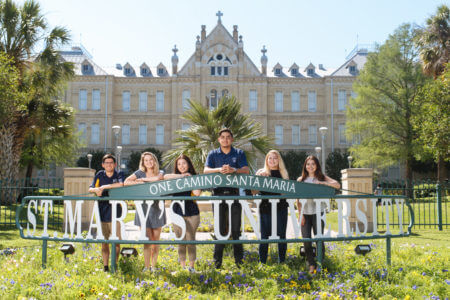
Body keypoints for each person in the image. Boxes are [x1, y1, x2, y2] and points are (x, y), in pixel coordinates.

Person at [204, 128, 249, 269]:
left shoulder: (239, 153)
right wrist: (219, 170)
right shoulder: (213, 154)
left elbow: (246, 170)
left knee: (236, 229)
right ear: (219, 140)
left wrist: (234, 170)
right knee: (219, 230)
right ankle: (217, 264)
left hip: (234, 194)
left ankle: (239, 263)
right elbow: (206, 170)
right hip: (217, 195)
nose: (225, 139)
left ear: (232, 139)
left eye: (228, 137)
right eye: (222, 137)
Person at [296, 155, 340, 274]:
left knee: (319, 239)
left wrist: (322, 183)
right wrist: (301, 215)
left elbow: (337, 184)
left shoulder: (321, 177)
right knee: (306, 240)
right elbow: (298, 199)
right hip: (305, 213)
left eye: (313, 164)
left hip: (318, 212)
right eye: (308, 164)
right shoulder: (301, 180)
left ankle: (320, 263)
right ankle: (311, 264)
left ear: (317, 166)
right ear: (305, 166)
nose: (310, 166)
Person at [124, 152, 165, 271]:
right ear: (143, 162)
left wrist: (143, 180)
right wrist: (140, 181)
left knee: (156, 240)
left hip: (157, 208)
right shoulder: (139, 173)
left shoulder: (160, 172)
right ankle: (146, 267)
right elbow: (126, 182)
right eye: (146, 160)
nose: (148, 162)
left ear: (154, 161)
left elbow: (158, 179)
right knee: (146, 239)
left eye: (150, 160)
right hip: (143, 208)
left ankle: (153, 266)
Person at [164, 155, 201, 272]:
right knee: (180, 240)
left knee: (190, 240)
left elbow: (197, 193)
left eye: (184, 163)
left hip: (192, 212)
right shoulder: (174, 177)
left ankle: (191, 267)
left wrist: (190, 179)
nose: (181, 166)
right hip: (177, 212)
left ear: (189, 164)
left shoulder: (195, 177)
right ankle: (182, 267)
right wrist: (181, 176)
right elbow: (165, 176)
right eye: (179, 164)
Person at [88, 154, 124, 272]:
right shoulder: (99, 174)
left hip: (116, 213)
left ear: (115, 164)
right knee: (104, 242)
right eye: (106, 163)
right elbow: (91, 188)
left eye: (111, 162)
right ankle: (106, 267)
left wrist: (104, 187)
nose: (109, 165)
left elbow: (121, 184)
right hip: (102, 212)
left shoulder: (119, 174)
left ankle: (115, 264)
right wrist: (97, 190)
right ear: (103, 165)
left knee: (117, 242)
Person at [254, 150, 289, 264]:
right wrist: (257, 178)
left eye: (275, 158)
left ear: (279, 160)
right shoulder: (261, 172)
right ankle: (262, 263)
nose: (272, 160)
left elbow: (286, 193)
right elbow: (253, 191)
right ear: (266, 160)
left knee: (281, 235)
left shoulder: (283, 174)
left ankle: (282, 262)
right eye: (270, 158)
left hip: (281, 208)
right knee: (264, 237)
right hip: (265, 208)